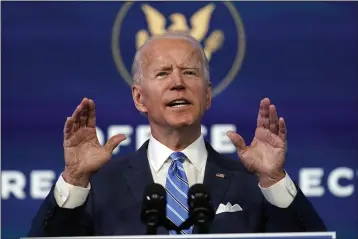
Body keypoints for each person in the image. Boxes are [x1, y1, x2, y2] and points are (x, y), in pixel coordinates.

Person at [28, 32, 326, 236]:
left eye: (190, 72)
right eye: (163, 73)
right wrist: (75, 179)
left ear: (207, 96)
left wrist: (273, 180)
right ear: (139, 98)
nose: (178, 83)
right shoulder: (99, 186)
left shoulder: (252, 182)